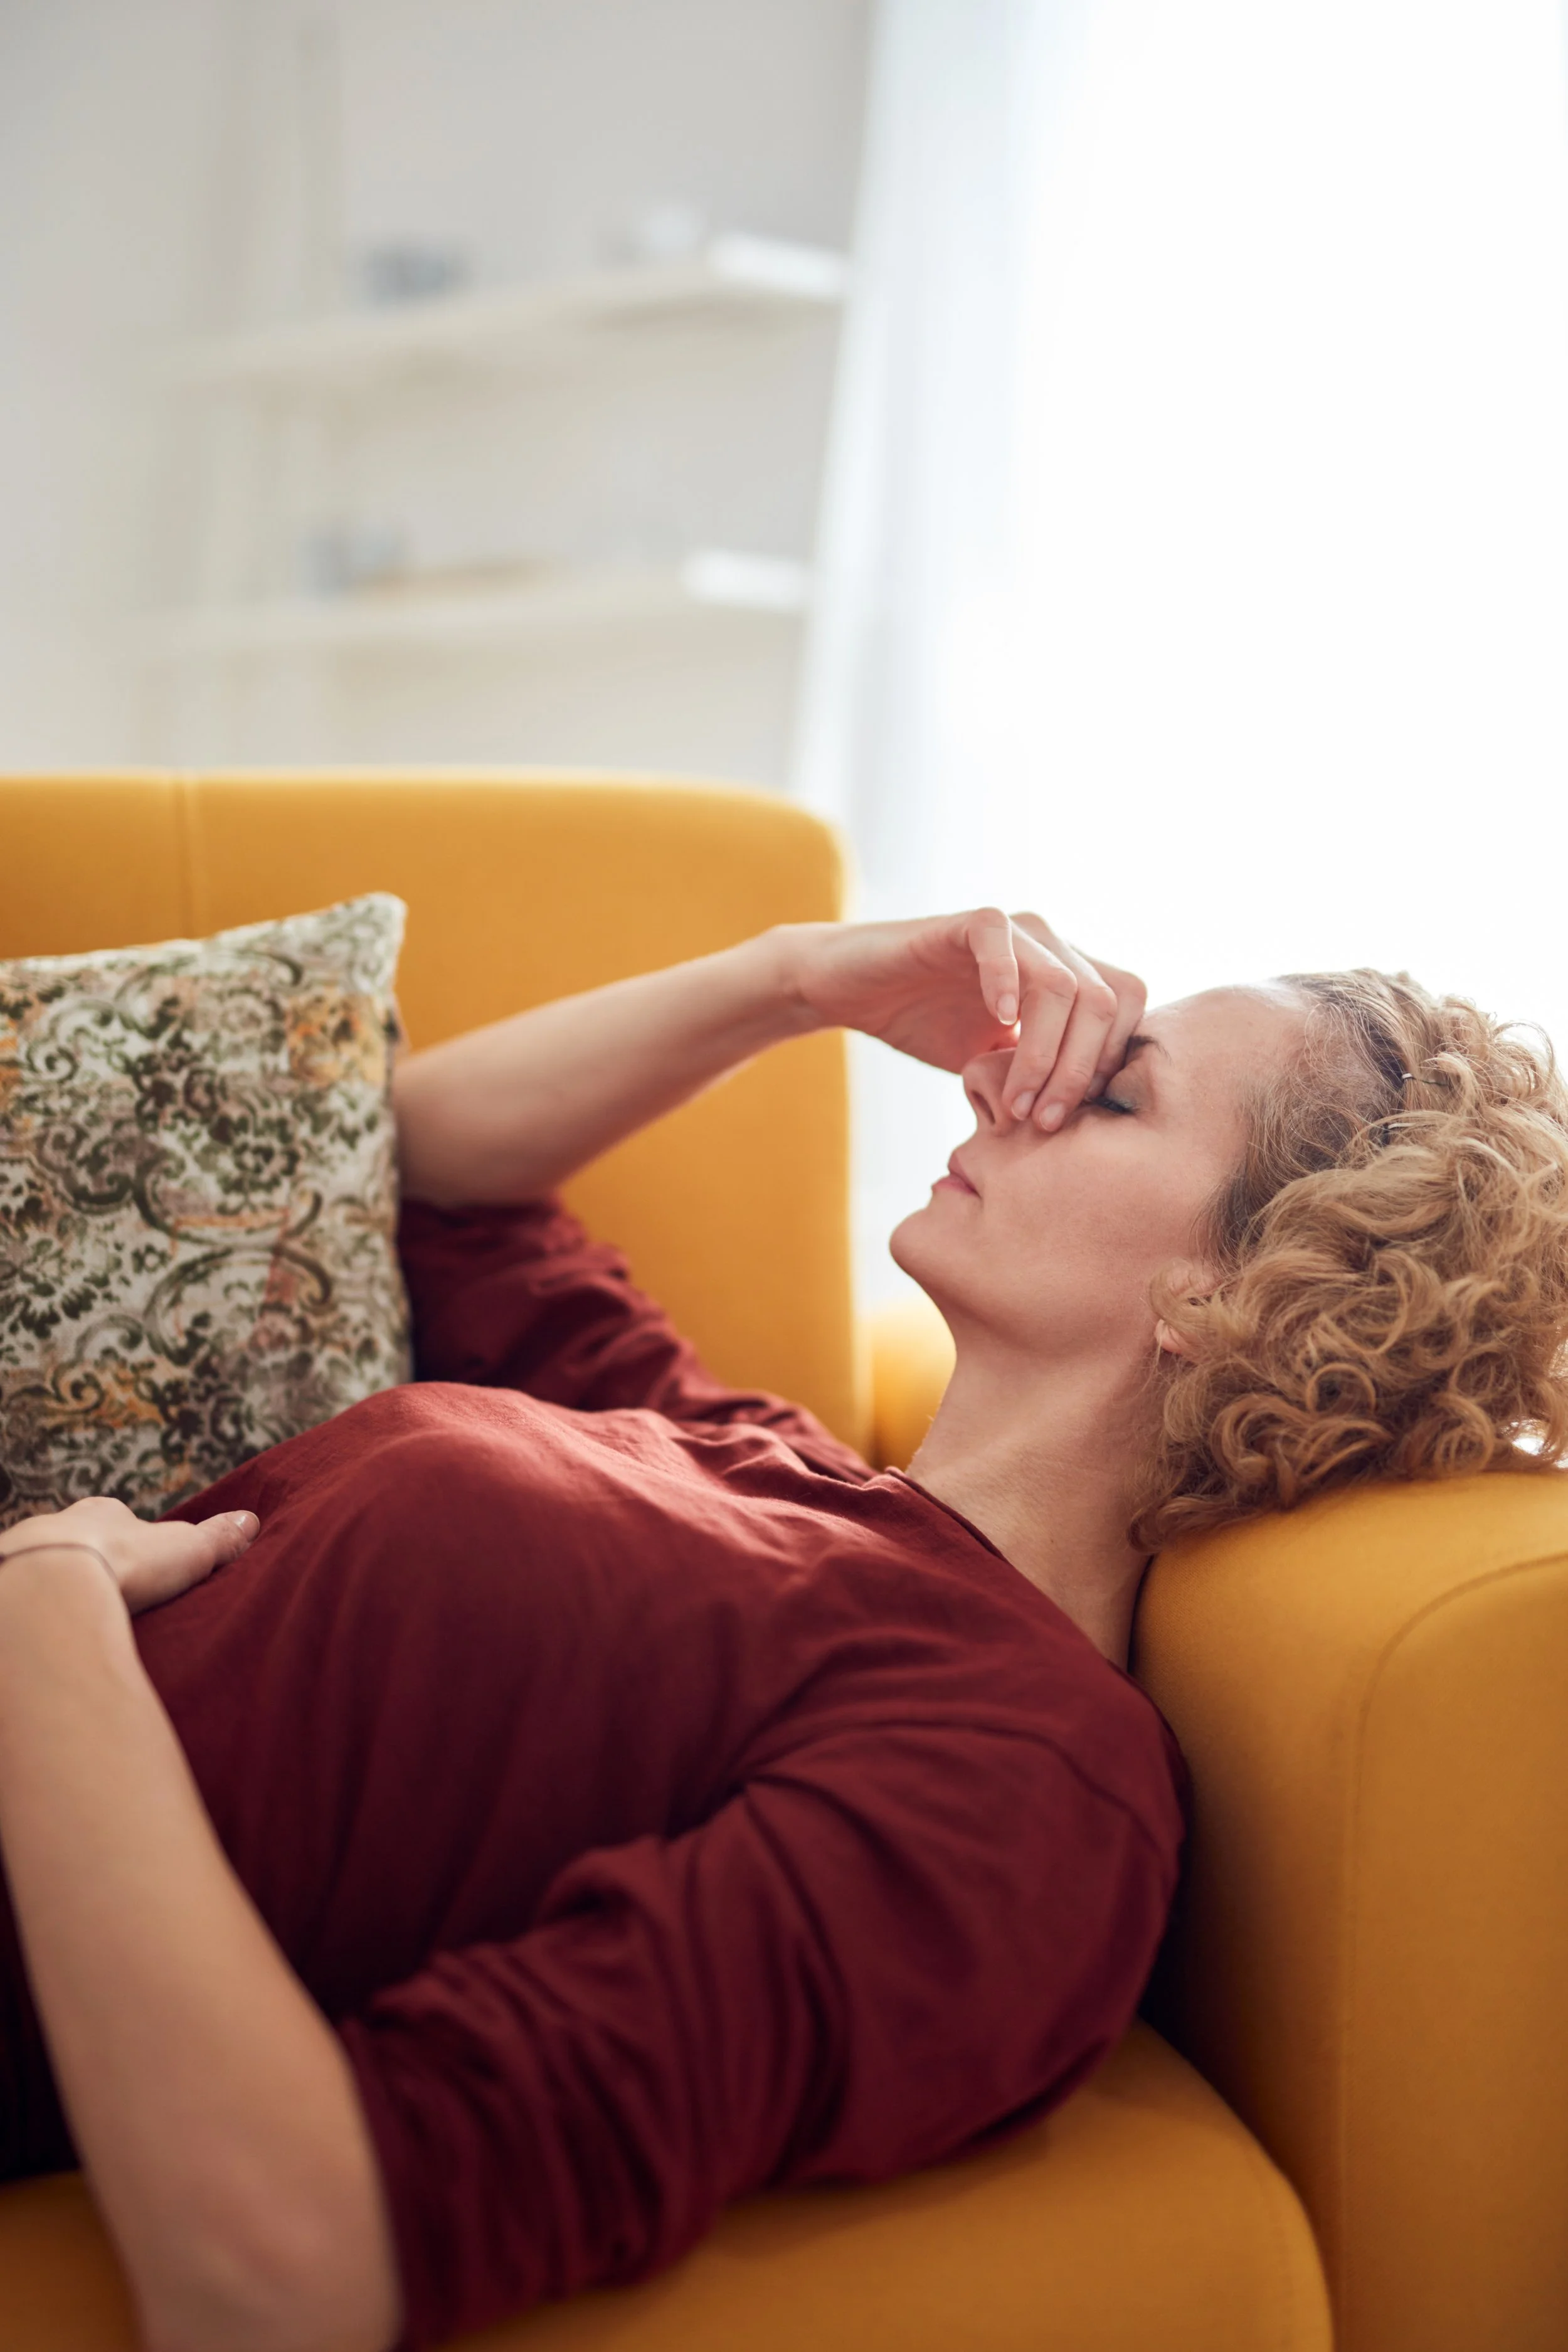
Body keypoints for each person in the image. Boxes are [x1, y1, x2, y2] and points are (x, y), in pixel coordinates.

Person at [1, 908, 1564, 2352]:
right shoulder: (757, 1458)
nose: (1003, 1086)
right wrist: (798, 982)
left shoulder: (1016, 1783)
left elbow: (286, 2265)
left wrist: (47, 1627)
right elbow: (423, 1175)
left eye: (1111, 1098)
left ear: (1235, 1290)